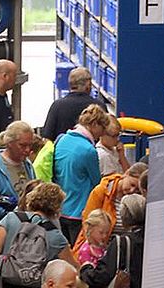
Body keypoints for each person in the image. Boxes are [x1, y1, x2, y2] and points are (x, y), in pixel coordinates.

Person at [0, 182, 79, 271]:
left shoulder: (11, 218)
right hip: (34, 279)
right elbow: (72, 266)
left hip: (3, 276)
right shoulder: (55, 235)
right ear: (58, 206)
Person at [53, 104, 110, 243]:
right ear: (94, 124)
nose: (102, 133)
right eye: (102, 128)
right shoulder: (89, 150)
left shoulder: (61, 140)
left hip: (60, 209)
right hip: (80, 212)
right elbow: (97, 183)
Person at [71, 163, 148, 254]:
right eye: (132, 184)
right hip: (97, 248)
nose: (132, 190)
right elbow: (87, 223)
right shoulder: (101, 191)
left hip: (123, 249)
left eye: (137, 190)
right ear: (126, 174)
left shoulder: (139, 200)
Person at [0, 121, 36, 233]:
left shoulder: (28, 165)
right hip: (0, 231)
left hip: (26, 230)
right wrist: (12, 216)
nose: (27, 150)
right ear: (9, 143)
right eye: (22, 145)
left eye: (30, 145)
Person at [79, 194, 146, 288]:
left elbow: (101, 277)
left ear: (124, 216)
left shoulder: (122, 242)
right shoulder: (152, 236)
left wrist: (85, 269)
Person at [41, 67, 106, 141]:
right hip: (92, 147)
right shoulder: (98, 107)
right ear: (88, 85)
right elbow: (107, 134)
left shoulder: (57, 105)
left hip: (63, 147)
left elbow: (47, 137)